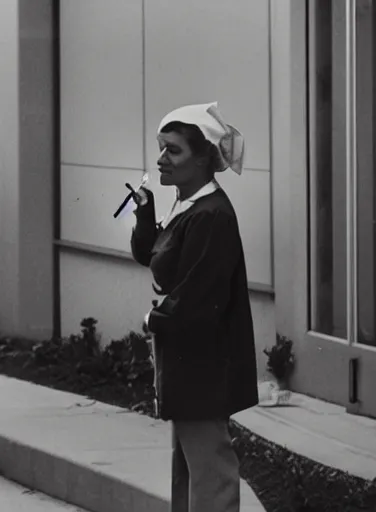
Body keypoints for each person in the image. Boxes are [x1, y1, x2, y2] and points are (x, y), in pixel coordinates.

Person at [130, 102, 259, 512]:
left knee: (210, 476)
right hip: (188, 360)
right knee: (189, 471)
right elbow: (157, 256)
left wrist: (154, 318)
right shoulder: (188, 205)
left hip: (204, 363)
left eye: (173, 151)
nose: (160, 159)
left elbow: (200, 297)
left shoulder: (212, 216)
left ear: (204, 159)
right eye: (161, 148)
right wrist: (146, 215)